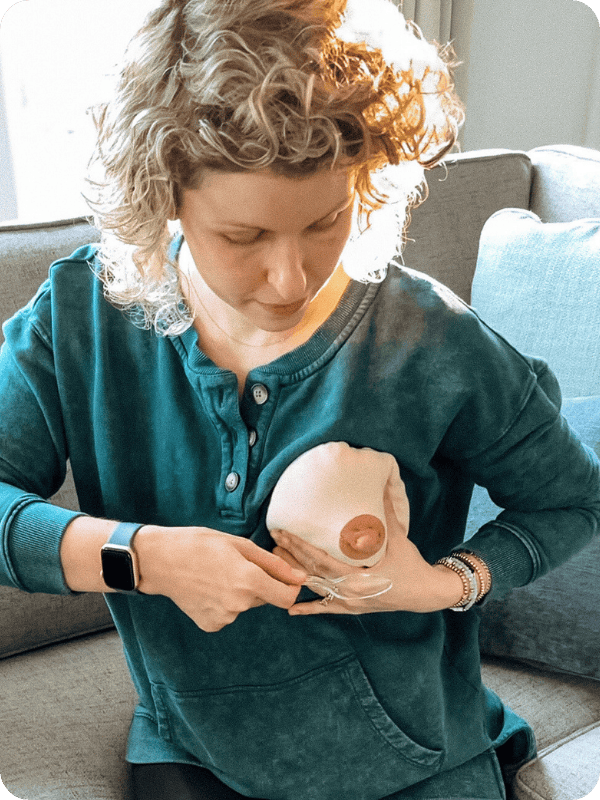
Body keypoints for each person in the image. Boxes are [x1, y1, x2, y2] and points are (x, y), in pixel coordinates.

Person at [0, 0, 598, 798]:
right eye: (242, 239)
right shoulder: (82, 317)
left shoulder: (436, 343)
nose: (292, 279)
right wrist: (142, 559)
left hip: (413, 758)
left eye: (326, 221)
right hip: (192, 747)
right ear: (164, 198)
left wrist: (452, 580)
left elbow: (572, 502)